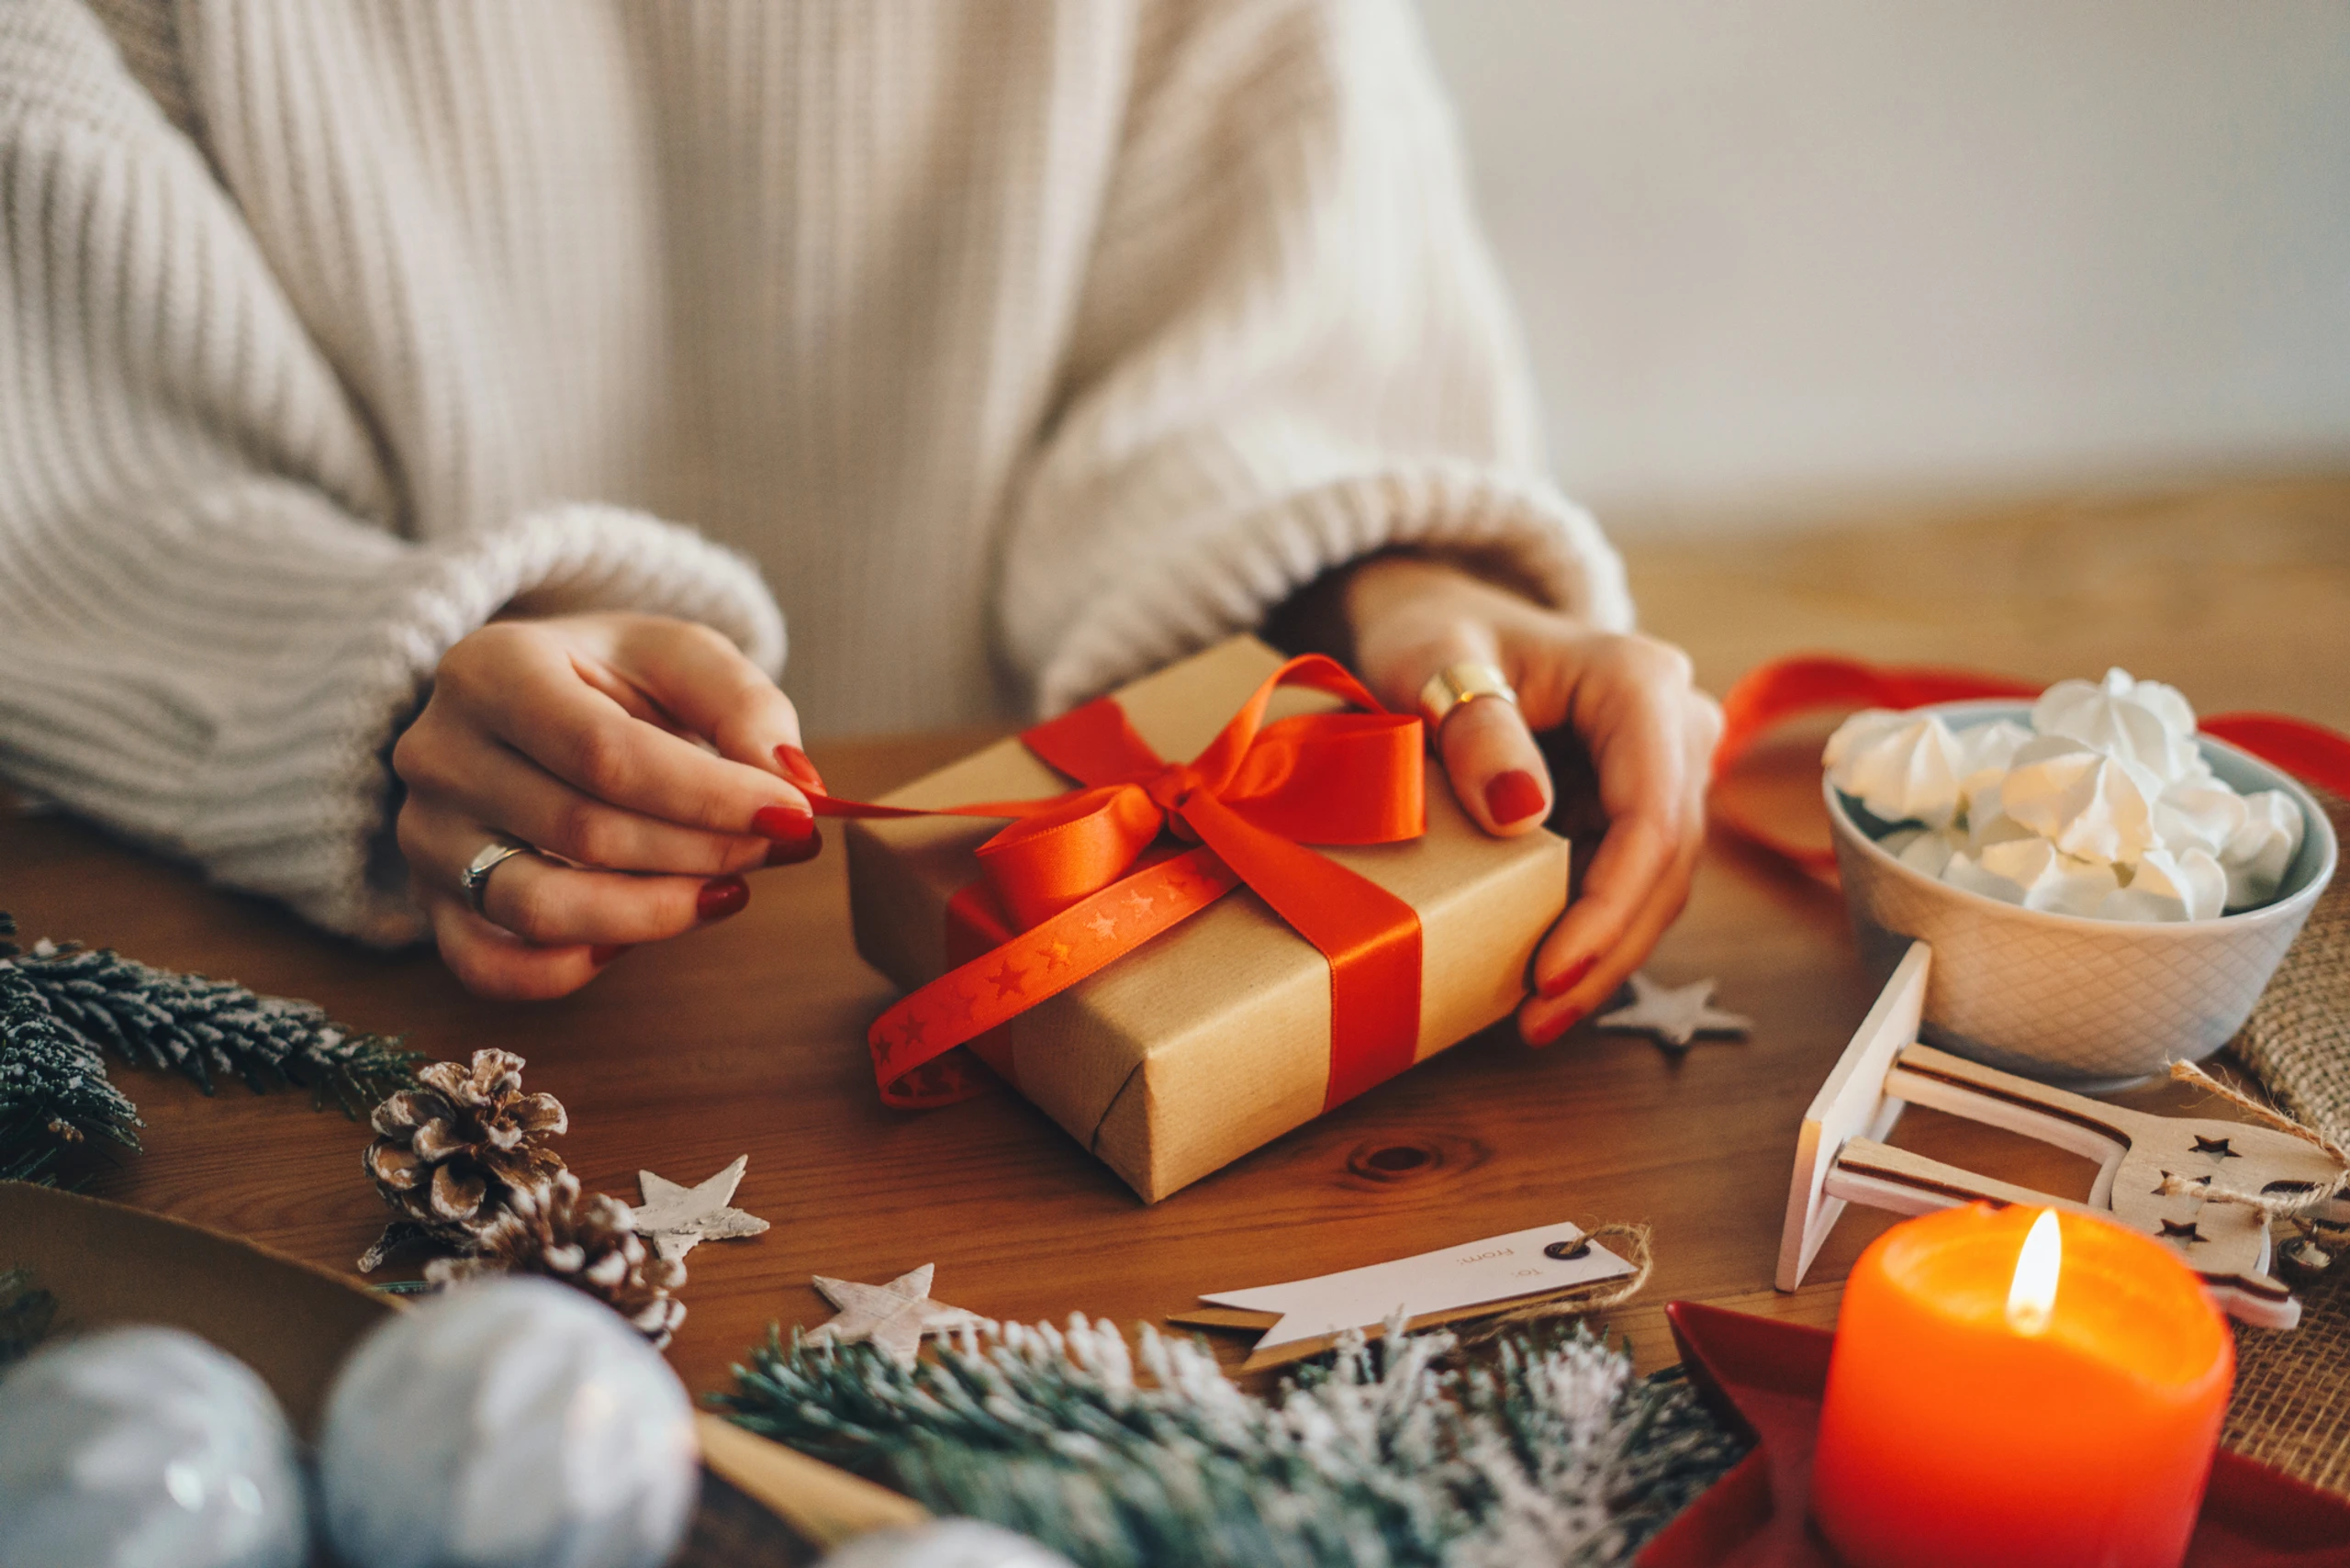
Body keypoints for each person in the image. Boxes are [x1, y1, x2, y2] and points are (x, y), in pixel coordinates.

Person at [0, 0, 1718, 1046]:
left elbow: (1269, 348)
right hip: (343, 1027)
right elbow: (74, 483)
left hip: (1076, 1009)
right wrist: (378, 677)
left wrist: (1388, 580)